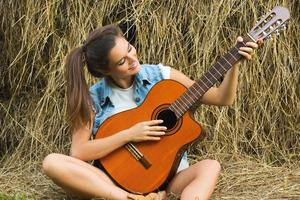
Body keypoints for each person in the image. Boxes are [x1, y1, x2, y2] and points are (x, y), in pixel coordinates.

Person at [42, 24, 258, 200]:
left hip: (169, 179)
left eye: (129, 49)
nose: (132, 59)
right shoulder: (93, 99)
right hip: (115, 181)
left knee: (211, 166)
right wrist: (129, 134)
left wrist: (234, 65)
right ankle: (128, 198)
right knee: (52, 162)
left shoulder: (162, 75)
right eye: (121, 61)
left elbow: (222, 98)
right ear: (106, 71)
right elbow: (79, 152)